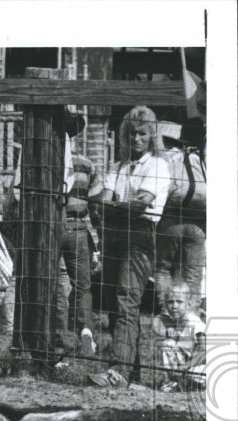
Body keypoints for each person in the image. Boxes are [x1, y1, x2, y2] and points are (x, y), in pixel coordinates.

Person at [89, 106, 170, 389]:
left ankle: (118, 370)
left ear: (152, 136)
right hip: (113, 235)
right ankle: (131, 374)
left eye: (142, 134)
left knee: (127, 298)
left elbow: (142, 204)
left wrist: (113, 207)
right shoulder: (118, 165)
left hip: (139, 236)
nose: (136, 139)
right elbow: (103, 203)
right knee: (114, 302)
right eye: (131, 133)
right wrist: (116, 207)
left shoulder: (157, 165)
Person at [60, 115, 103, 360]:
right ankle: (85, 330)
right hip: (77, 227)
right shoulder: (86, 165)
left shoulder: (44, 161)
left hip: (51, 227)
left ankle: (55, 334)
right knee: (82, 286)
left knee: (52, 283)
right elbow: (96, 205)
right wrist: (96, 237)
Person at [154, 119, 206, 319]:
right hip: (199, 222)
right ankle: (189, 316)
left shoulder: (167, 159)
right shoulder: (198, 157)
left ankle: (167, 313)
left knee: (164, 268)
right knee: (193, 273)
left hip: (172, 220)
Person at [151, 281, 205, 392]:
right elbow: (155, 323)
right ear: (165, 304)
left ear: (188, 304)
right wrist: (167, 331)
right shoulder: (172, 321)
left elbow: (205, 353)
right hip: (184, 363)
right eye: (170, 302)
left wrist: (186, 366)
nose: (174, 306)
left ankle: (185, 383)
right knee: (167, 344)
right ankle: (174, 381)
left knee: (194, 375)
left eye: (179, 302)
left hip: (200, 363)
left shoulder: (195, 323)